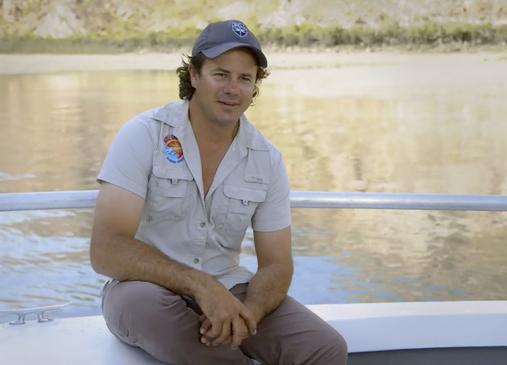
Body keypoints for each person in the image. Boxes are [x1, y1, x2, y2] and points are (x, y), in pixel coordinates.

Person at [89, 19, 348, 365]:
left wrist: (248, 313)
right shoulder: (144, 135)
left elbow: (276, 263)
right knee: (152, 313)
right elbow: (107, 249)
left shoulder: (266, 159)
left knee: (325, 348)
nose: (233, 89)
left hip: (231, 291)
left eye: (245, 78)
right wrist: (200, 286)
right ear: (194, 75)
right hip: (144, 289)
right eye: (221, 74)